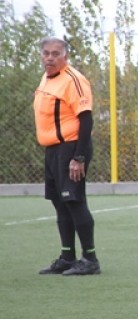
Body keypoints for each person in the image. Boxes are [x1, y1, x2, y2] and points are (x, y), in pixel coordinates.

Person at [34, 37, 101, 276]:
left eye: (55, 54)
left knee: (74, 201)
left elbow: (86, 119)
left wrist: (79, 157)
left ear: (66, 57)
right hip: (52, 150)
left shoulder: (74, 80)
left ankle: (90, 259)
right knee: (60, 204)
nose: (50, 58)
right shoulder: (46, 78)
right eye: (46, 53)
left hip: (71, 149)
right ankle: (67, 257)